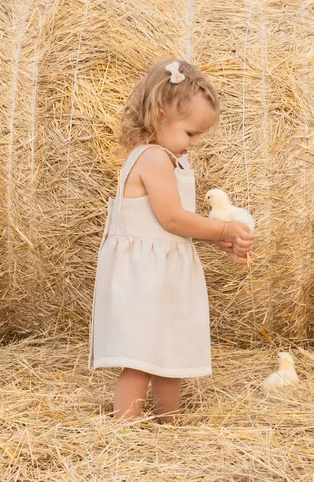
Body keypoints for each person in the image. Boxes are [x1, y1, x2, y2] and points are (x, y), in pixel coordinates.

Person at [88, 57, 254, 423]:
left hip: (166, 270)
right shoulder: (150, 158)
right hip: (143, 276)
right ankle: (124, 431)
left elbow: (182, 226)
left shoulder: (172, 160)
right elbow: (173, 219)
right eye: (190, 134)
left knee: (170, 353)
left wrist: (220, 238)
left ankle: (169, 425)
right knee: (140, 357)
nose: (193, 144)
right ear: (160, 114)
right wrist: (224, 231)